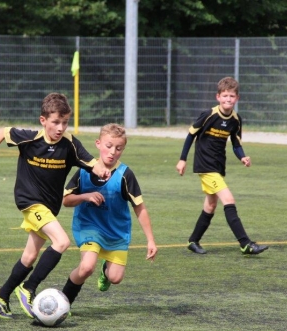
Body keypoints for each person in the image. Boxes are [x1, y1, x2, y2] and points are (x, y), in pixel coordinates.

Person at [0, 93, 109, 319]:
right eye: (55, 122)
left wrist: (101, 169)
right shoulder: (30, 138)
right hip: (29, 202)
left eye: (65, 122)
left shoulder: (70, 145)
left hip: (49, 208)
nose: (60, 127)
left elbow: (91, 162)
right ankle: (29, 288)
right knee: (62, 241)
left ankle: (3, 295)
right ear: (43, 120)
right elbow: (2, 132)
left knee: (29, 256)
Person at [60, 123, 158, 307]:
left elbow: (140, 207)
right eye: (108, 146)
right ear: (98, 144)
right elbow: (66, 200)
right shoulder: (84, 171)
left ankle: (106, 270)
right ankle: (64, 302)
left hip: (116, 232)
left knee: (115, 278)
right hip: (88, 226)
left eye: (119, 148)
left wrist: (150, 240)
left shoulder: (125, 175)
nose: (113, 152)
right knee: (87, 266)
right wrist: (85, 196)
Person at [176, 76, 268, 255]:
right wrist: (182, 159)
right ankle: (245, 243)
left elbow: (236, 143)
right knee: (229, 200)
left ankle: (193, 241)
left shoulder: (236, 120)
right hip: (205, 166)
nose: (228, 99)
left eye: (231, 96)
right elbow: (190, 135)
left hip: (218, 166)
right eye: (225, 96)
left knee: (210, 205)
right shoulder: (208, 115)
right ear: (218, 97)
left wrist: (243, 157)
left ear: (237, 98)